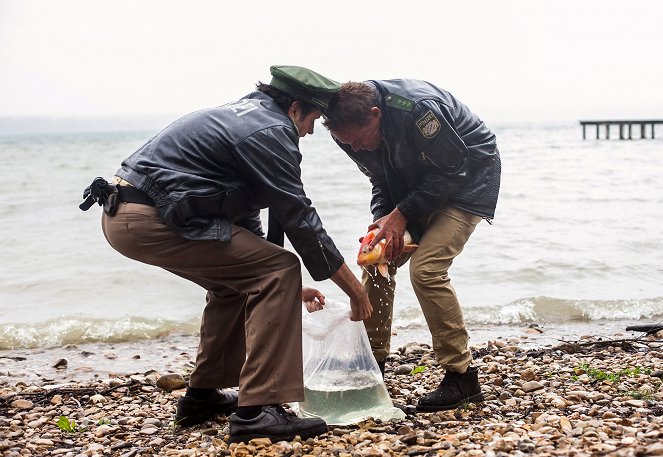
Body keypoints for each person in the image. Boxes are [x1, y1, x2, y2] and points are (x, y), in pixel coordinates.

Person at [79, 65, 373, 443]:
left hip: (125, 215)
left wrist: (288, 291)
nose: (312, 130)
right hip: (150, 216)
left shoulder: (243, 116)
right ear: (296, 107)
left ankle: (202, 396)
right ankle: (258, 412)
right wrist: (354, 289)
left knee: (240, 283)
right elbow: (299, 217)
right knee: (281, 267)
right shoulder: (270, 131)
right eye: (314, 118)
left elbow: (245, 220)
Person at [323, 78, 500, 412]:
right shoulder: (347, 134)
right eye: (347, 144)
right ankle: (371, 365)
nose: (355, 149)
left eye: (359, 142)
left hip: (468, 179)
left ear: (375, 115)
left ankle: (462, 377)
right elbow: (380, 179)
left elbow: (453, 172)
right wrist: (382, 221)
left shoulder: (418, 110)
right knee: (377, 261)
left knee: (427, 270)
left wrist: (402, 214)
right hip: (417, 183)